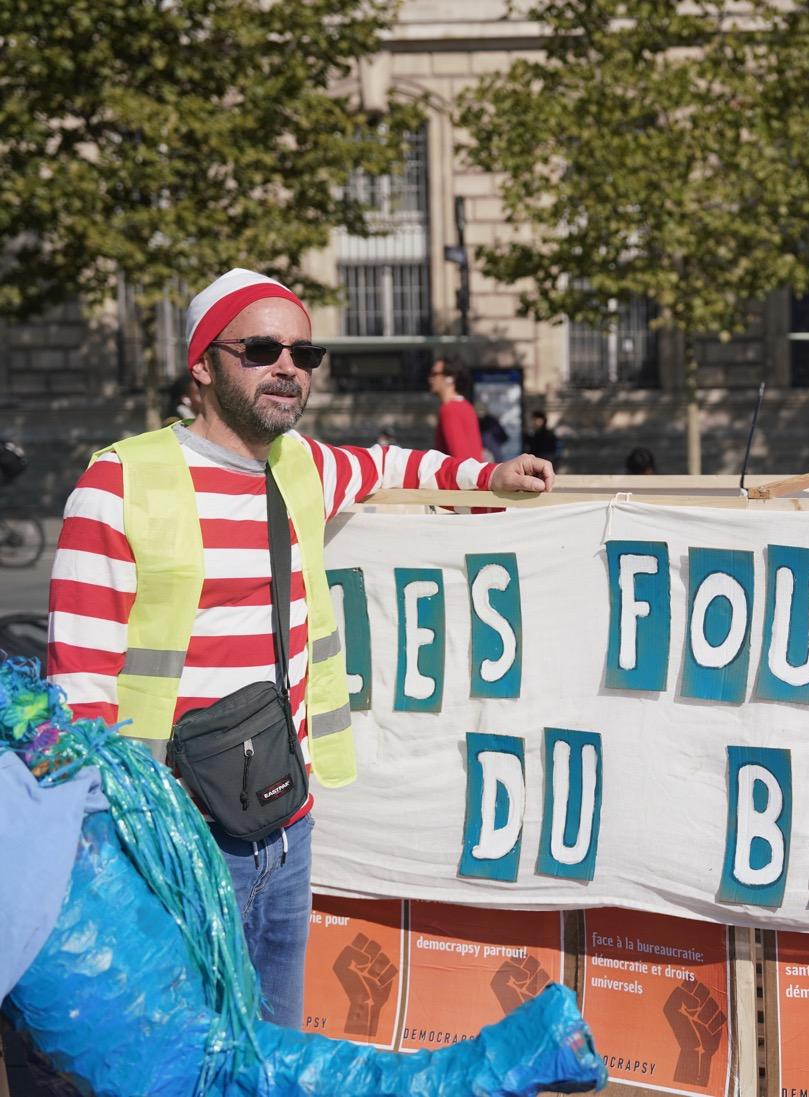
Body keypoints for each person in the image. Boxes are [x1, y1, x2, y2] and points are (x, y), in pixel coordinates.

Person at [46, 268, 554, 1029]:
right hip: (172, 841)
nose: (288, 366)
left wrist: (488, 474)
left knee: (274, 1050)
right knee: (180, 1056)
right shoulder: (122, 481)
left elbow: (390, 462)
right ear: (203, 363)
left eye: (303, 353)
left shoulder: (303, 467)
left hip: (286, 826)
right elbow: (74, 689)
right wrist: (110, 844)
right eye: (260, 348)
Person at [429, 357, 483, 461]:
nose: (430, 379)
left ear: (450, 378)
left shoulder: (449, 409)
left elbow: (459, 459)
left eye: (434, 374)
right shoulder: (466, 406)